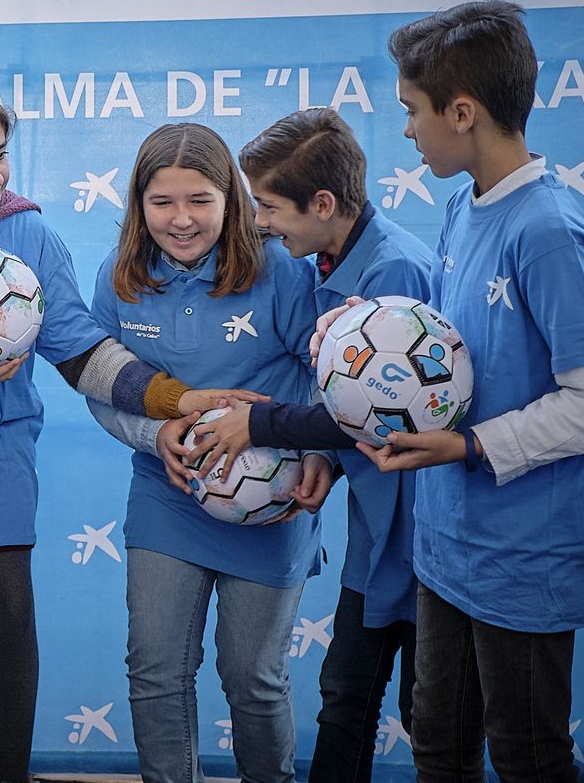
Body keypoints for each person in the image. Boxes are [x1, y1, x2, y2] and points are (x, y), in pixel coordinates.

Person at [0, 80, 262, 783]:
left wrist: (175, 399)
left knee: (10, 617)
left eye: (1, 155)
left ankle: (9, 777)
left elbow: (81, 349)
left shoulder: (29, 232)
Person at [348, 1, 584, 781]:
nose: (407, 130)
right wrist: (358, 335)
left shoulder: (548, 230)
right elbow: (444, 351)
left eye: (412, 111)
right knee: (439, 743)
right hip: (447, 543)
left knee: (526, 755)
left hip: (523, 554)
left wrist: (471, 444)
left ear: (462, 112)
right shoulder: (461, 205)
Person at [181, 108, 434, 783]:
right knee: (345, 694)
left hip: (426, 535)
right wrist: (325, 459)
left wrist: (258, 426)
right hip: (379, 532)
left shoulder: (395, 272)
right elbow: (347, 408)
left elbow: (384, 413)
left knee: (432, 713)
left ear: (322, 204)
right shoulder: (329, 262)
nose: (259, 222)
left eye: (268, 206)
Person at [86, 123, 326, 783]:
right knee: (156, 669)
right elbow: (101, 388)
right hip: (168, 495)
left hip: (273, 501)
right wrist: (153, 434)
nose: (182, 219)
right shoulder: (120, 278)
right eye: (162, 201)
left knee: (253, 677)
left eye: (200, 200)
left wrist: (321, 457)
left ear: (233, 200)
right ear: (138, 203)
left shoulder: (281, 269)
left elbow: (331, 376)